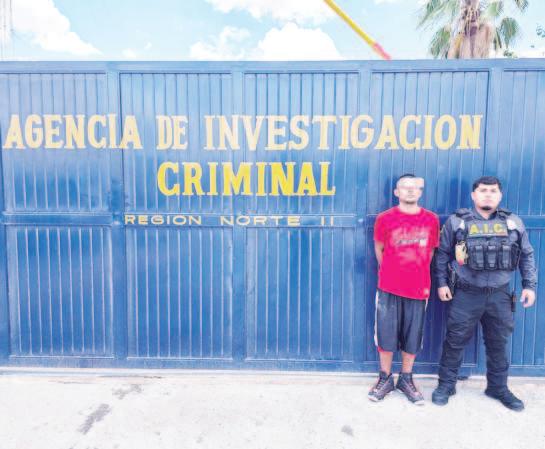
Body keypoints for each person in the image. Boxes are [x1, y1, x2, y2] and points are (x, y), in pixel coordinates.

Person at [432, 176, 537, 411]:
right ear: (474, 195)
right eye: (483, 190)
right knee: (455, 340)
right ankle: (446, 385)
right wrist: (442, 283)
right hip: (466, 294)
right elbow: (442, 254)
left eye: (493, 191)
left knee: (498, 342)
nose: (488, 194)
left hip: (500, 295)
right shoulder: (457, 222)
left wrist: (529, 285)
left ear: (500, 195)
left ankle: (498, 387)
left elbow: (527, 255)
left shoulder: (513, 222)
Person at [369, 174, 440, 404]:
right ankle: (385, 378)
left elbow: (430, 252)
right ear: (396, 192)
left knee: (413, 335)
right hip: (389, 286)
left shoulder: (431, 219)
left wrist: (415, 272)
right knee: (386, 334)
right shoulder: (384, 218)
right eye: (405, 187)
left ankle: (406, 379)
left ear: (420, 192)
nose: (410, 191)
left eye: (415, 187)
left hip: (419, 288)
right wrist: (393, 272)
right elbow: (379, 249)